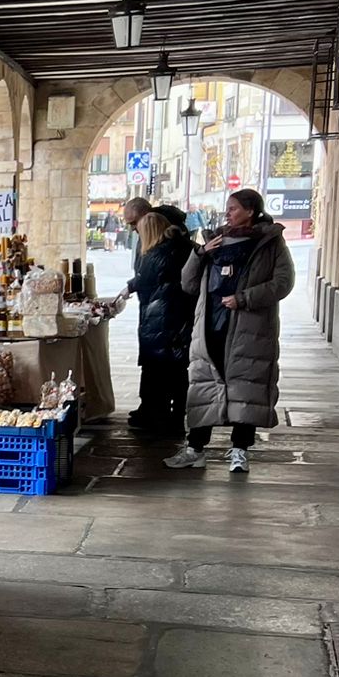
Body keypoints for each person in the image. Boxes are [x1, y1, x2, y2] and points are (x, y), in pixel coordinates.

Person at [165, 187, 294, 473]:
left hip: (250, 328)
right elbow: (187, 284)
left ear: (250, 211)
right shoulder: (215, 241)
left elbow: (283, 283)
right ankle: (195, 448)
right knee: (205, 385)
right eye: (228, 208)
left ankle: (239, 451)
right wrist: (200, 253)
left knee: (245, 387)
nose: (228, 213)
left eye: (234, 208)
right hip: (210, 324)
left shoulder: (270, 243)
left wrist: (245, 298)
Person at [129, 208, 194, 432]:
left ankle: (156, 416)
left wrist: (129, 287)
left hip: (160, 317)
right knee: (177, 370)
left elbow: (143, 281)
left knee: (155, 370)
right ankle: (177, 415)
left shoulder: (156, 253)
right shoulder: (183, 246)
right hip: (180, 315)